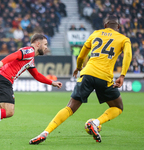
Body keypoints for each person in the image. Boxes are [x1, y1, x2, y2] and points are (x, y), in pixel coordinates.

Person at [29, 15, 132, 144]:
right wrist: (122, 75)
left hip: (87, 73)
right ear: (119, 27)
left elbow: (82, 54)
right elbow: (128, 55)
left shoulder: (95, 33)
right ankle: (95, 123)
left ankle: (45, 132)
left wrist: (78, 68)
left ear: (105, 25)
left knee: (70, 107)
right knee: (118, 107)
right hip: (105, 77)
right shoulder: (124, 39)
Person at [0, 33, 62, 137]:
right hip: (4, 79)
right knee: (9, 112)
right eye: (45, 44)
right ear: (38, 44)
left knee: (3, 111)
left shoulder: (31, 59)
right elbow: (16, 54)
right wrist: (2, 62)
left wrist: (52, 82)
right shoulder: (30, 51)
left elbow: (36, 75)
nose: (46, 47)